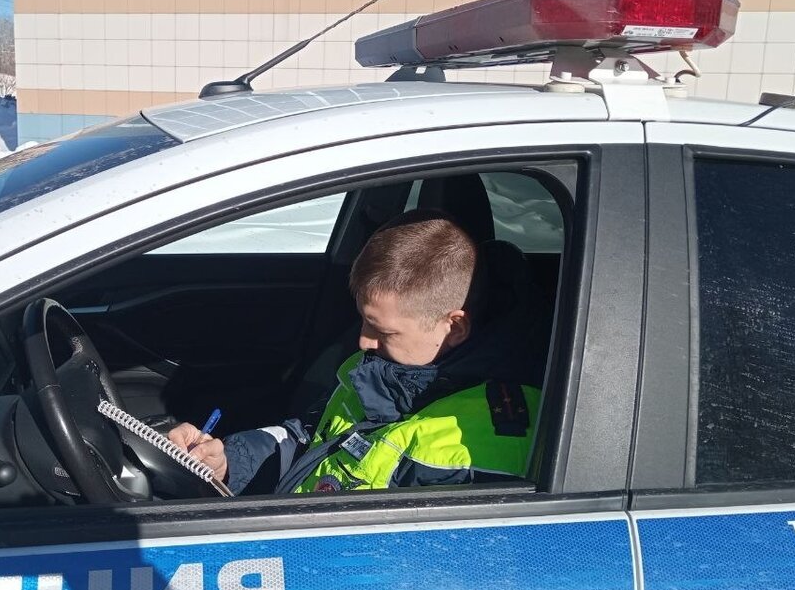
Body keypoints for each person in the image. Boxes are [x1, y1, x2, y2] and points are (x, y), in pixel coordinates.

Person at [167, 208, 541, 494]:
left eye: (383, 331)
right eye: (363, 320)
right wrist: (227, 462)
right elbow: (308, 441)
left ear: (454, 328)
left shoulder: (480, 445)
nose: (363, 341)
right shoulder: (377, 370)